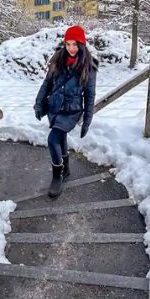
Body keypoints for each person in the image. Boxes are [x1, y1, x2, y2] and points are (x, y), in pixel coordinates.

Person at [34, 25, 98, 198]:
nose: (71, 48)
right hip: (55, 107)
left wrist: (87, 120)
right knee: (60, 136)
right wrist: (39, 103)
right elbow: (47, 84)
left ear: (82, 45)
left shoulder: (88, 67)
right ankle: (66, 167)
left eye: (75, 44)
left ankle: (57, 175)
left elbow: (90, 96)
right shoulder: (57, 60)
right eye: (68, 44)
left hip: (71, 111)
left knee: (53, 138)